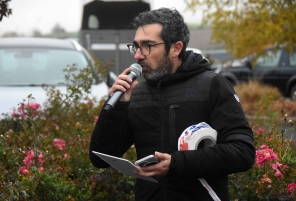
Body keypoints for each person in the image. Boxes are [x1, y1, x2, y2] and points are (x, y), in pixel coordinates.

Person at [89, 7, 255, 201]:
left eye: (148, 46)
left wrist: (177, 163)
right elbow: (100, 158)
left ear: (176, 48)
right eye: (136, 46)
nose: (138, 56)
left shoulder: (212, 85)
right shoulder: (136, 94)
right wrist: (117, 106)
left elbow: (242, 152)